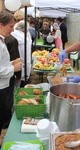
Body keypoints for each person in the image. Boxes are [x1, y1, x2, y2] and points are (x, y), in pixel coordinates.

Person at [0, 10, 22, 139]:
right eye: (10, 26)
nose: (12, 30)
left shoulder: (2, 40)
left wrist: (10, 63)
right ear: (1, 25)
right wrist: (13, 69)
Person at [11, 20, 32, 87]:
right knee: (17, 86)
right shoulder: (25, 39)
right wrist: (27, 73)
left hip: (12, 63)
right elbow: (27, 58)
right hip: (19, 65)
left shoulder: (11, 34)